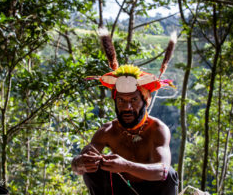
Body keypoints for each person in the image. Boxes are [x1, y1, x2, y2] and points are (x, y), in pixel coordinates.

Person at [71, 28, 178, 195]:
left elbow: (163, 171)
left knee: (170, 174)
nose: (127, 107)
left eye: (133, 100)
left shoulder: (157, 129)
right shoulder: (107, 131)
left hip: (151, 191)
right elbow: (78, 164)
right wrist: (80, 163)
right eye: (121, 101)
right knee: (92, 171)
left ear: (145, 102)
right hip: (121, 190)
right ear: (115, 101)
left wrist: (126, 165)